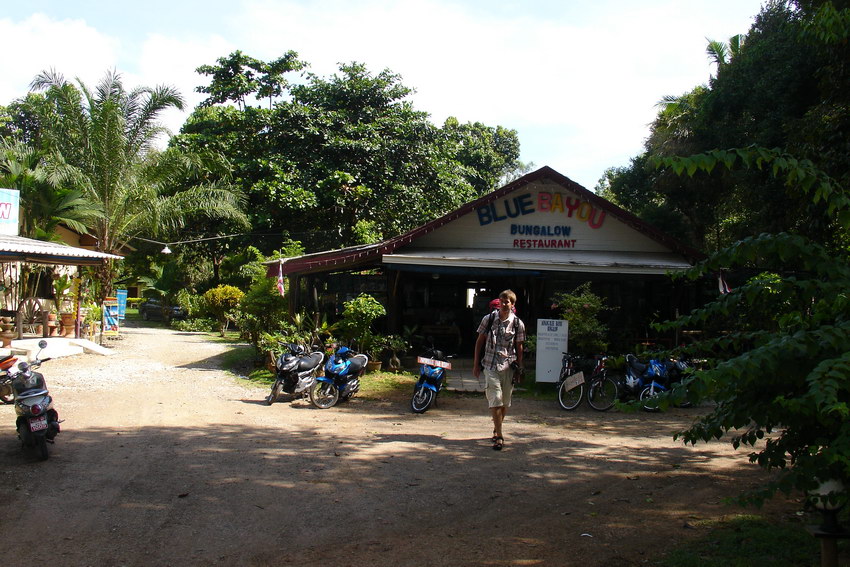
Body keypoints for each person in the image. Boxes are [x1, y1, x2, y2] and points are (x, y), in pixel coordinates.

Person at [473, 289, 525, 450]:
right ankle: (500, 436)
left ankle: (497, 428)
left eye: (507, 301)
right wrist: (476, 364)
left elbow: (519, 346)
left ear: (512, 304)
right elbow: (479, 341)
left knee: (504, 403)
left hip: (509, 365)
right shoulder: (488, 320)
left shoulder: (518, 324)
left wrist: (520, 368)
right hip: (490, 364)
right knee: (495, 398)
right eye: (501, 301)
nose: (503, 304)